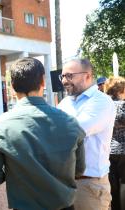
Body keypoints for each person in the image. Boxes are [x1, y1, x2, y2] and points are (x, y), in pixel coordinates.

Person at [0, 57, 86, 210]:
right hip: (63, 205)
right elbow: (79, 170)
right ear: (43, 82)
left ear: (12, 87)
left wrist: (16, 168)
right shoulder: (70, 123)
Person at [58, 59, 116, 210]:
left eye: (69, 76)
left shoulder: (101, 102)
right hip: (64, 182)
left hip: (89, 184)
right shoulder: (65, 102)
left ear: (87, 76)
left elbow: (74, 131)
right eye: (62, 76)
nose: (64, 80)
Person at [104, 77, 125, 210]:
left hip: (107, 150)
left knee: (112, 185)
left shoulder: (104, 105)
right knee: (124, 183)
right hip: (123, 150)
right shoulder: (122, 105)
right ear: (121, 90)